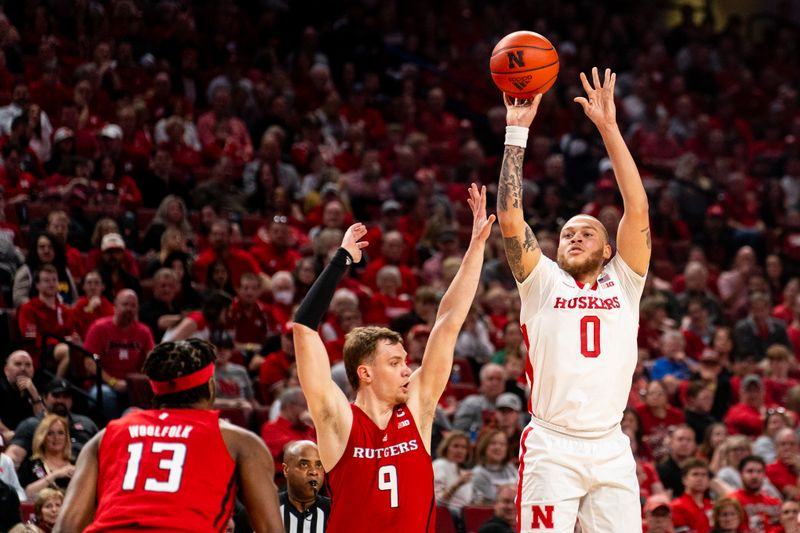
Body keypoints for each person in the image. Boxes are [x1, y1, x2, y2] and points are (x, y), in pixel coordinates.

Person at [497, 68, 650, 532]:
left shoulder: (624, 280)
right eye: (567, 233)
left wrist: (608, 127)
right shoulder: (541, 281)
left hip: (610, 446)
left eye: (587, 232)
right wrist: (517, 129)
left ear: (609, 250)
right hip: (552, 444)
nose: (575, 237)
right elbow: (509, 214)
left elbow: (637, 207)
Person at [292, 183, 493, 532]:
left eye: (405, 361)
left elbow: (447, 323)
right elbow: (304, 329)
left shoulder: (417, 407)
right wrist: (341, 261)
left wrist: (476, 247)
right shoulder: (339, 422)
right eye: (395, 363)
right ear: (365, 373)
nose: (407, 369)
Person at [54, 339, 283, 532]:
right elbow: (270, 528)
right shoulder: (239, 441)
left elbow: (66, 526)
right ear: (211, 388)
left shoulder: (106, 435)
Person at [6, 378, 98, 468]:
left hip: (85, 475)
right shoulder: (31, 425)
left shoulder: (86, 423)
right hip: (43, 479)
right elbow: (14, 455)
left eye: (66, 397)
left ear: (72, 400)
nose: (61, 400)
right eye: (56, 395)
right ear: (44, 398)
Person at [18, 414, 75, 500]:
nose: (56, 438)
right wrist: (55, 475)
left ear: (66, 437)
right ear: (42, 438)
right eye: (50, 433)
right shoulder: (32, 464)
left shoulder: (76, 463)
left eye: (60, 433)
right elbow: (27, 493)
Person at [280, 440, 330, 532]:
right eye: (304, 465)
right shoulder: (266, 510)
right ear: (286, 470)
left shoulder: (335, 512)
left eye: (319, 465)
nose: (314, 472)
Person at [729, 455, 782, 532]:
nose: (755, 476)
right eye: (750, 471)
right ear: (740, 474)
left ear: (764, 475)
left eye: (759, 471)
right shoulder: (732, 501)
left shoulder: (775, 502)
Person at [0, 350, 44, 442]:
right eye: (18, 364)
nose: (23, 368)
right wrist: (8, 434)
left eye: (28, 365)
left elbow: (44, 423)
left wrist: (35, 396)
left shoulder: (36, 389)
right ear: (6, 370)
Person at [470, 428, 518, 505]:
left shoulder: (510, 468)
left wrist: (502, 489)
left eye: (502, 444)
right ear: (484, 447)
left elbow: (523, 491)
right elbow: (494, 498)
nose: (498, 447)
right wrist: (511, 488)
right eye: (493, 443)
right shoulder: (478, 473)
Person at [670, 458, 713, 533]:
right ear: (684, 479)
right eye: (695, 474)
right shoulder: (676, 507)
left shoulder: (711, 505)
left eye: (704, 475)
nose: (700, 478)